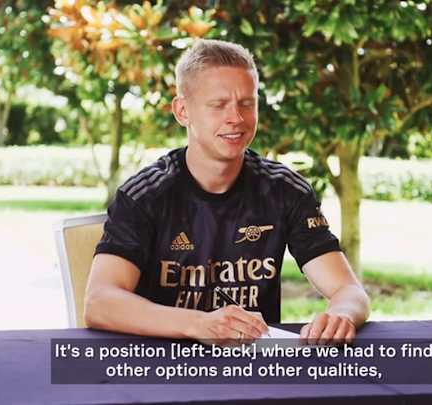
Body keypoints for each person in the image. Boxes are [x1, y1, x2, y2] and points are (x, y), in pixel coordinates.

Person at [84, 39, 370, 346]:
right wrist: (199, 324)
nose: (236, 118)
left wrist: (340, 315)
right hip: (160, 364)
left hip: (253, 366)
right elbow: (99, 302)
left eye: (247, 103)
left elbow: (350, 291)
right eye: (218, 105)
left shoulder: (285, 190)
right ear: (182, 111)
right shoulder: (144, 195)